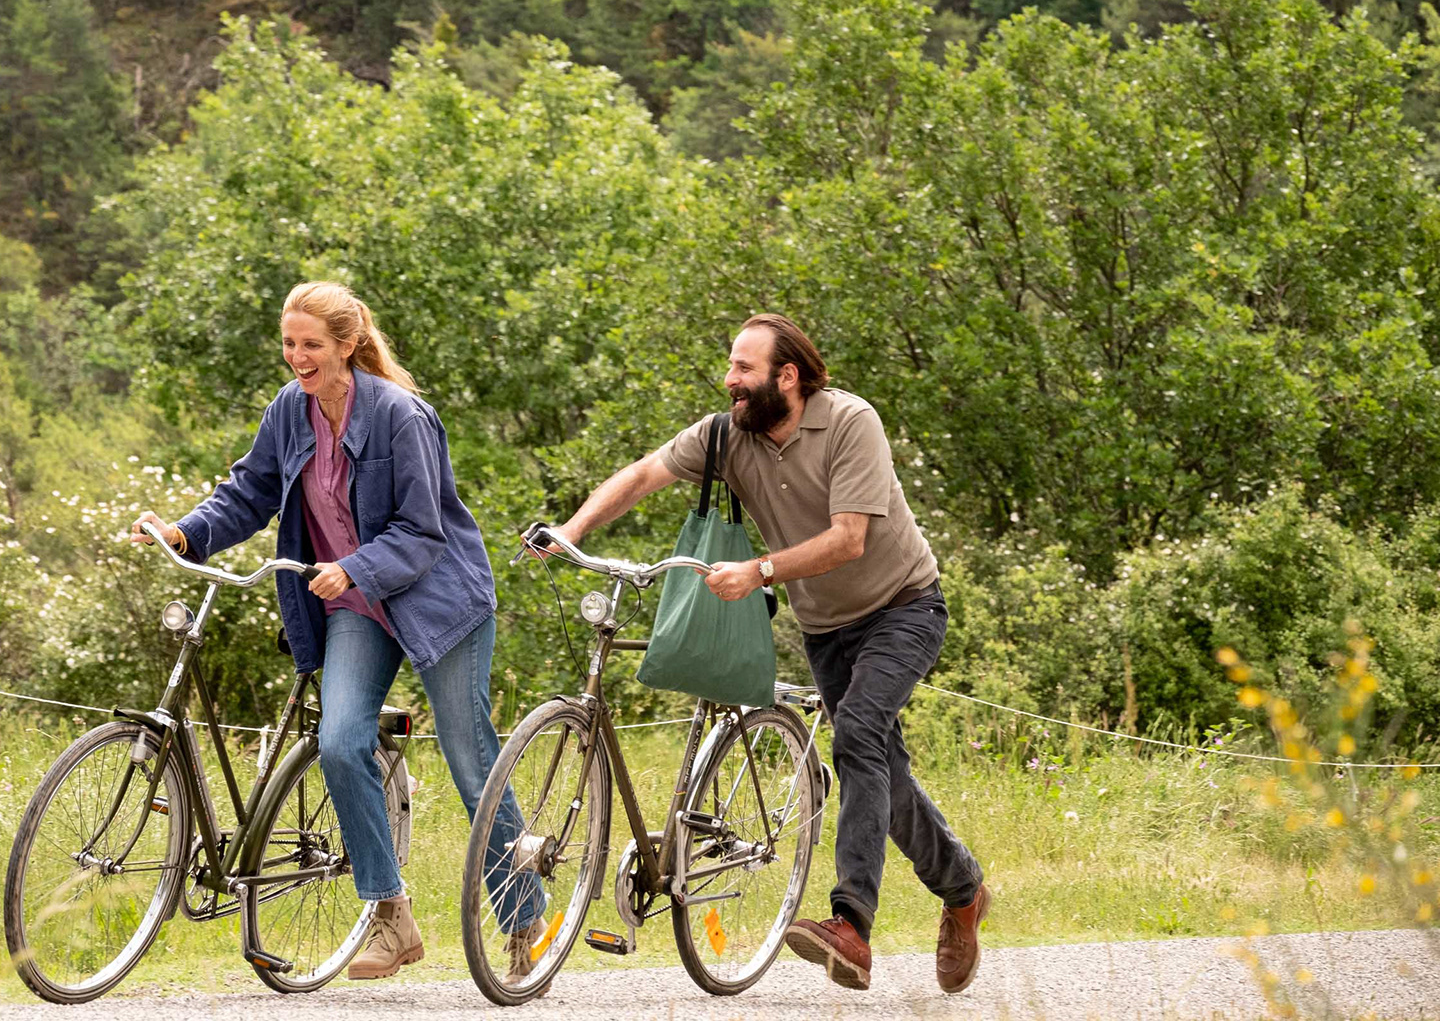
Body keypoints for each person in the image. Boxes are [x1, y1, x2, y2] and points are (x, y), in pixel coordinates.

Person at [542, 312, 988, 993]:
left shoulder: (848, 422)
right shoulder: (727, 435)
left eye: (744, 369)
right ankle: (963, 889)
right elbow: (641, 475)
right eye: (730, 367)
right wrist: (568, 531)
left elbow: (849, 540)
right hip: (826, 627)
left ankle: (850, 926)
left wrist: (759, 571)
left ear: (788, 375)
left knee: (861, 736)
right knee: (880, 772)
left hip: (903, 607)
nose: (730, 381)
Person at [131, 281, 543, 982]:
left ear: (347, 346)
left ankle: (524, 913)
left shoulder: (401, 416)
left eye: (311, 344)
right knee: (341, 742)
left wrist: (353, 566)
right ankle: (391, 912)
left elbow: (423, 530)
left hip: (439, 600)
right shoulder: (288, 412)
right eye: (290, 343)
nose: (297, 356)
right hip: (355, 604)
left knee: (471, 759)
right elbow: (249, 493)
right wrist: (185, 531)